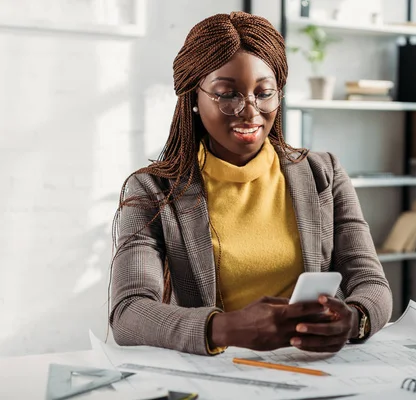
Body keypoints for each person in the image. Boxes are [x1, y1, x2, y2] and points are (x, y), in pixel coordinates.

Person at [109, 11, 393, 356]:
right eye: (227, 94)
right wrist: (225, 328)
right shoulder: (152, 190)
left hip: (312, 367)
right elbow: (128, 312)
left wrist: (355, 318)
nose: (250, 111)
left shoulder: (324, 175)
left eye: (264, 93)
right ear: (193, 99)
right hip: (216, 374)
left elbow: (371, 283)